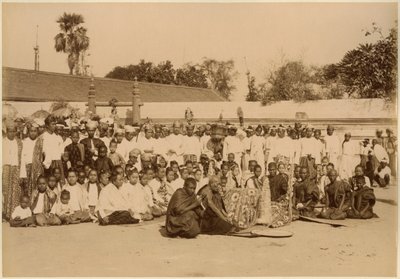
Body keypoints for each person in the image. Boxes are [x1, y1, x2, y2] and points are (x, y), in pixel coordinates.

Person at [2, 121, 23, 220]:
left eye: (14, 131)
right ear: (6, 132)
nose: (12, 133)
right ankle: (4, 213)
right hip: (5, 169)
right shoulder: (2, 142)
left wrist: (22, 174)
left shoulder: (19, 143)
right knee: (5, 191)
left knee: (15, 191)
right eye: (10, 131)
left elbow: (22, 159)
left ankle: (13, 214)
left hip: (16, 169)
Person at [20, 123, 39, 197]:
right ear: (28, 132)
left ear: (37, 132)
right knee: (27, 189)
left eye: (35, 131)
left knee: (36, 188)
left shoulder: (39, 141)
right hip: (28, 168)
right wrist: (23, 174)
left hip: (37, 169)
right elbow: (23, 158)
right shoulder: (24, 142)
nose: (33, 133)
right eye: (31, 131)